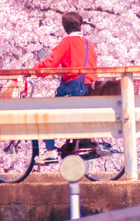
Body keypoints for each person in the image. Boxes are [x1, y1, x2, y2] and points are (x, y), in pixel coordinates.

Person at [34, 11, 98, 164]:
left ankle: (50, 151)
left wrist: (36, 70)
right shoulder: (89, 43)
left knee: (46, 114)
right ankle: (80, 140)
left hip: (72, 89)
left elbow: (51, 63)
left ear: (65, 28)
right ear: (81, 26)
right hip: (88, 90)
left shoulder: (66, 43)